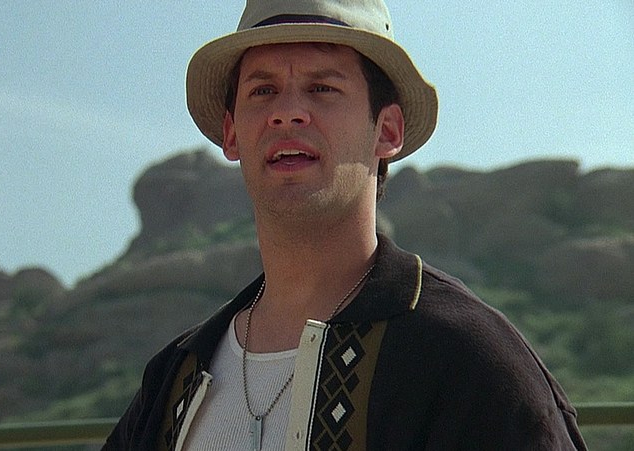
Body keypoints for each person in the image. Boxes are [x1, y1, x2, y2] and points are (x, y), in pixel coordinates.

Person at [104, 0, 587, 449]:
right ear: (231, 134)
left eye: (322, 88)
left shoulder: (468, 362)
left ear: (387, 131)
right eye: (262, 90)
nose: (286, 113)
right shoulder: (172, 381)